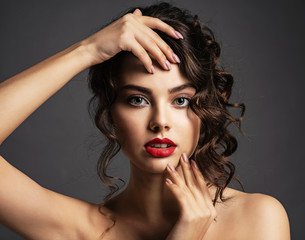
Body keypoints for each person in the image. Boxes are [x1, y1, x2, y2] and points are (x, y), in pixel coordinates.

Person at [0, 2, 290, 239]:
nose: (160, 122)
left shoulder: (256, 219)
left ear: (205, 110)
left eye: (181, 100)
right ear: (110, 110)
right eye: (138, 99)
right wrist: (87, 50)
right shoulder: (84, 230)